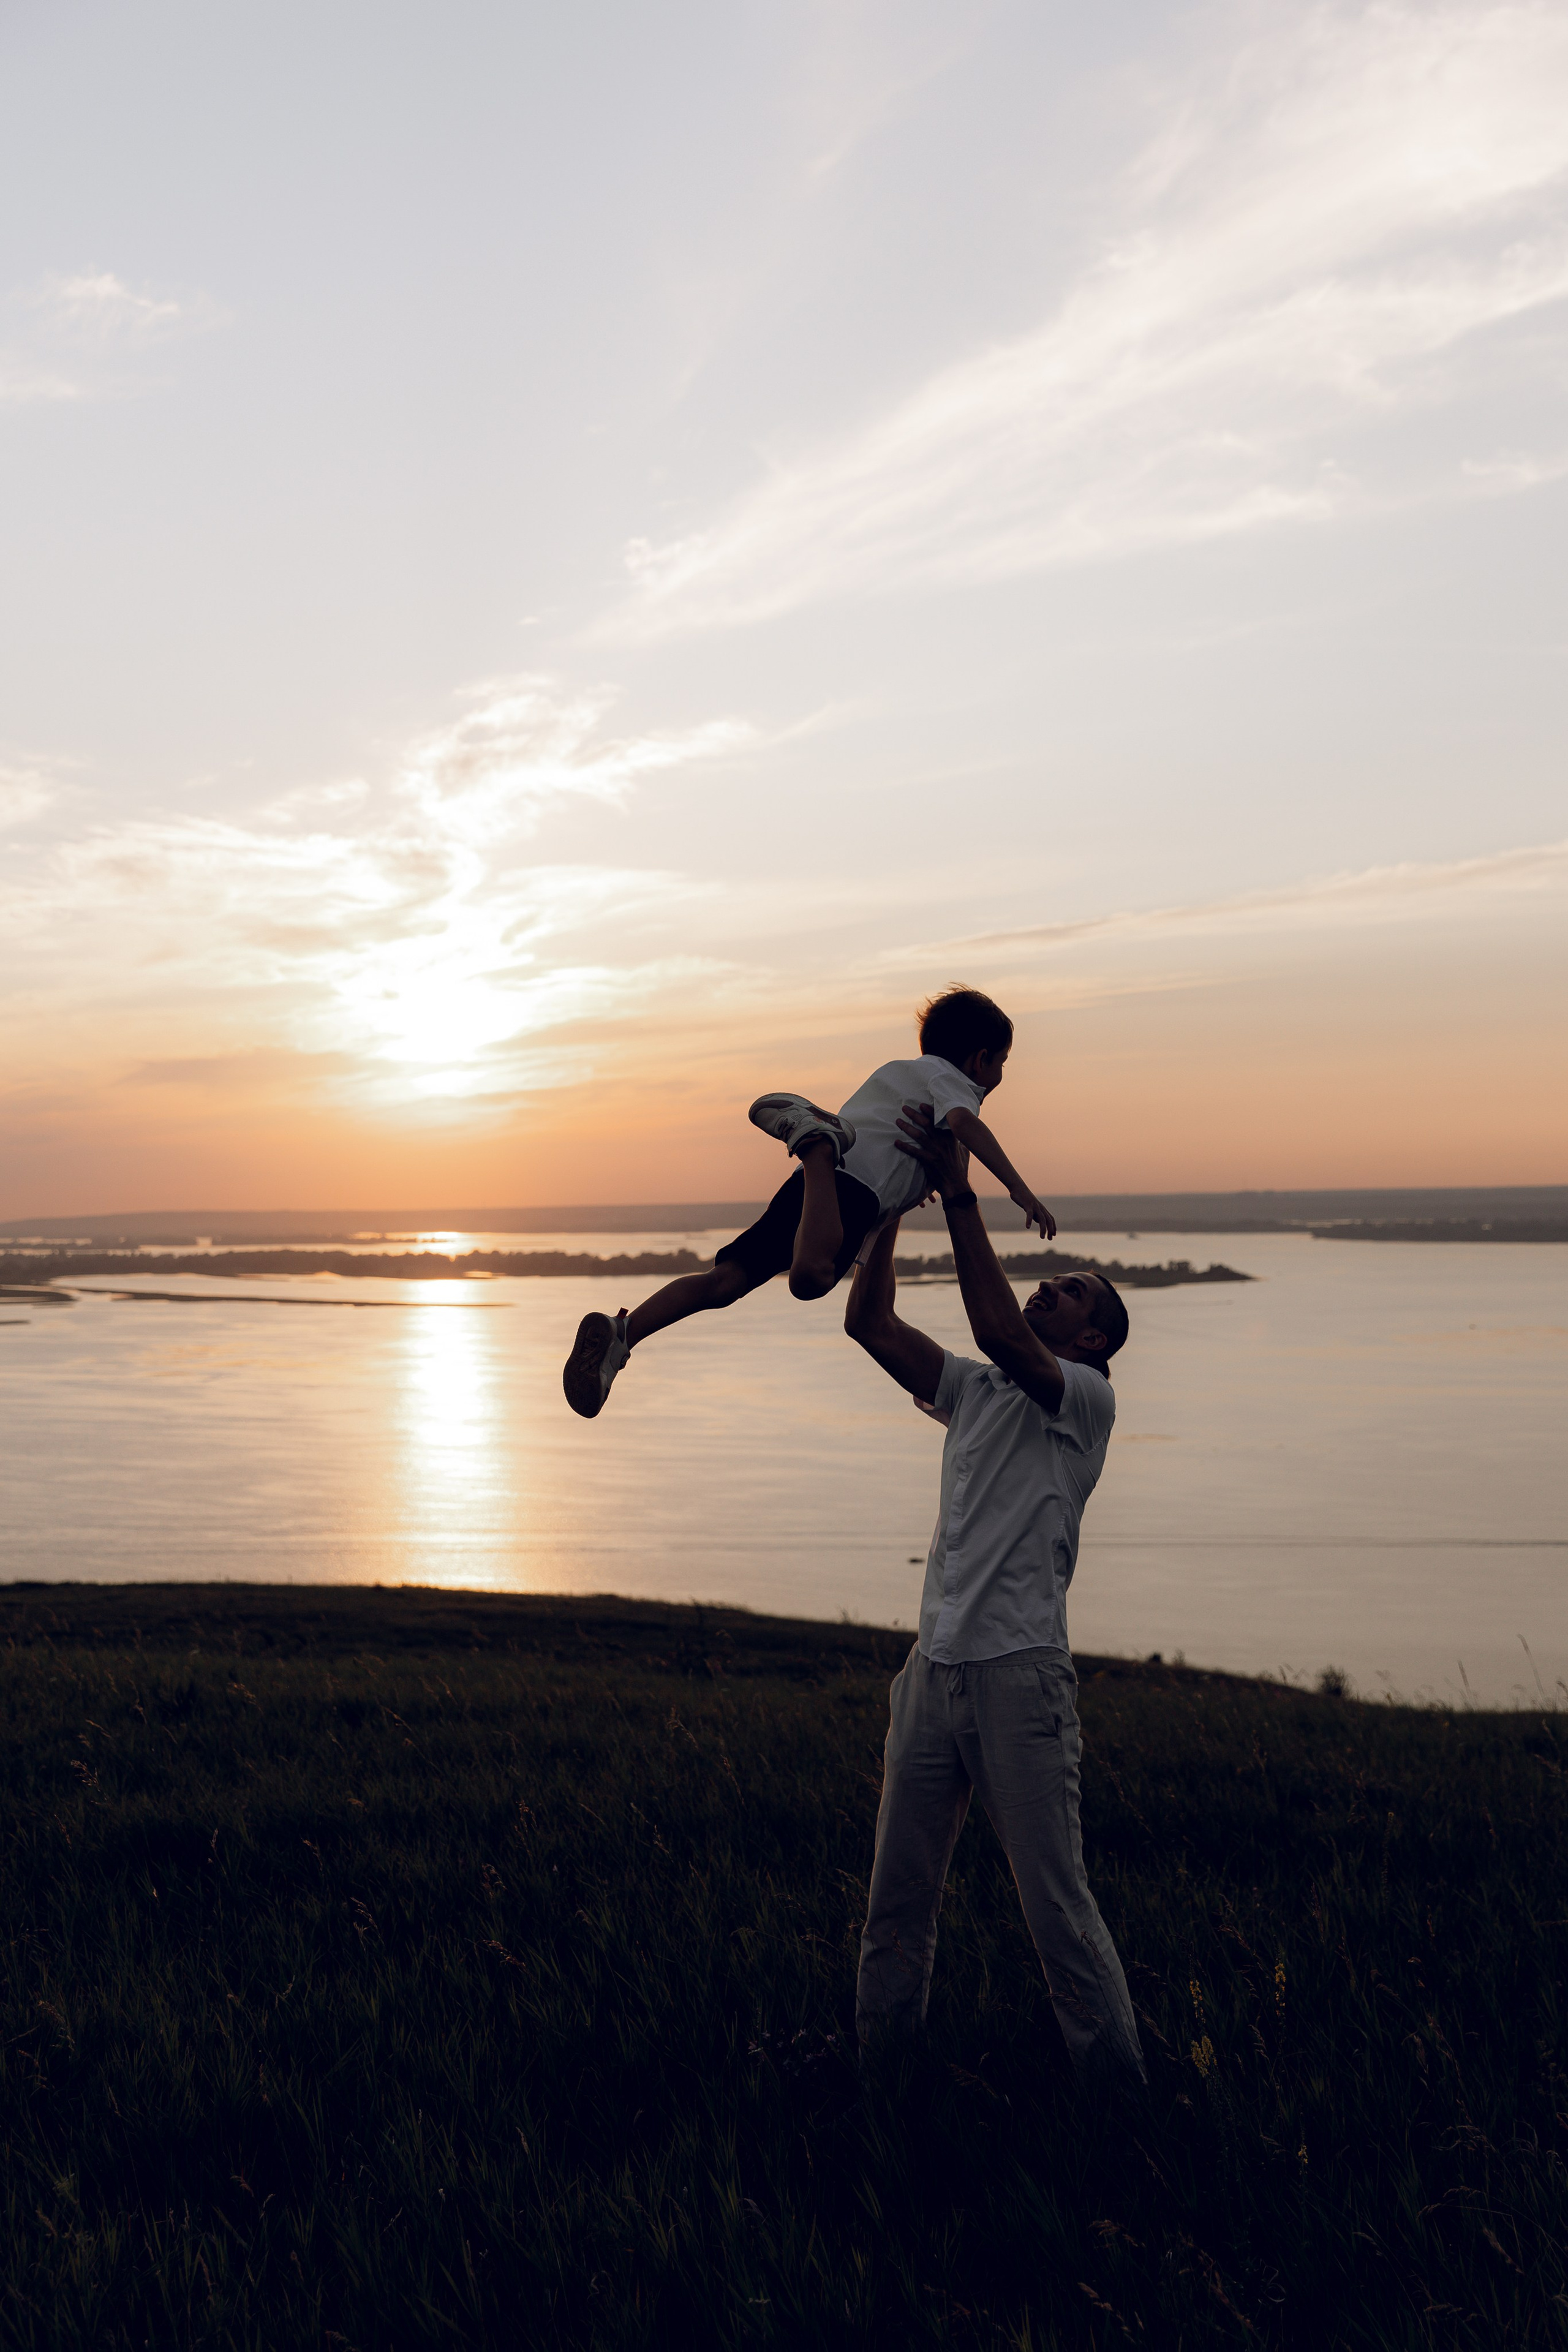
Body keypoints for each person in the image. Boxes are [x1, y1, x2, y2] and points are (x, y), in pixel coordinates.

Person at [843, 1101, 1147, 2095]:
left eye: (1071, 1291)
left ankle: (1121, 2105)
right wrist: (893, 1207)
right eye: (1054, 1280)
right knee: (897, 1899)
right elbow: (869, 1324)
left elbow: (996, 1326)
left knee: (1056, 1907)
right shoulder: (977, 1392)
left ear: (1093, 1336)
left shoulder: (1085, 1399)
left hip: (1019, 1679)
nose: (1051, 1288)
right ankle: (884, 2081)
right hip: (931, 1676)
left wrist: (962, 1195)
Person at [561, 985, 1056, 1420]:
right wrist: (1020, 1189)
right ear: (979, 1059)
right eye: (1002, 1063)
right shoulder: (955, 1082)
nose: (999, 1075)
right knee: (810, 1280)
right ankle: (817, 1146)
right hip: (848, 1188)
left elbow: (899, 1146)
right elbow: (965, 1125)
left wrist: (910, 1187)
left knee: (726, 1281)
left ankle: (624, 1332)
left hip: (815, 1187)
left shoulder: (901, 1072)